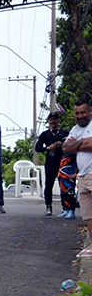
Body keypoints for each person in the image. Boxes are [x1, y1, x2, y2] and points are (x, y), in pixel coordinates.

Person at [60, 99, 92, 256]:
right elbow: (66, 148)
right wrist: (82, 143)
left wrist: (76, 144)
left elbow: (90, 144)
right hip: (82, 175)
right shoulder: (74, 128)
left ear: (90, 111)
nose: (80, 116)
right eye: (77, 113)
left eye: (83, 113)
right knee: (88, 215)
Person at [34, 111, 69, 216]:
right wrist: (48, 148)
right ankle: (48, 206)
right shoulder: (45, 135)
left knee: (64, 184)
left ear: (58, 121)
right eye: (51, 120)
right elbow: (37, 148)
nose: (53, 121)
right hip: (50, 161)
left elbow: (72, 144)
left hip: (63, 161)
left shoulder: (64, 133)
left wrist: (62, 145)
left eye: (55, 119)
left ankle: (65, 206)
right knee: (48, 184)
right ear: (49, 122)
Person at [58, 154, 79, 219]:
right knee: (63, 193)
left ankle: (71, 211)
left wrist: (75, 174)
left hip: (70, 177)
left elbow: (81, 166)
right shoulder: (63, 156)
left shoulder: (75, 157)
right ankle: (66, 209)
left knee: (70, 193)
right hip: (62, 177)